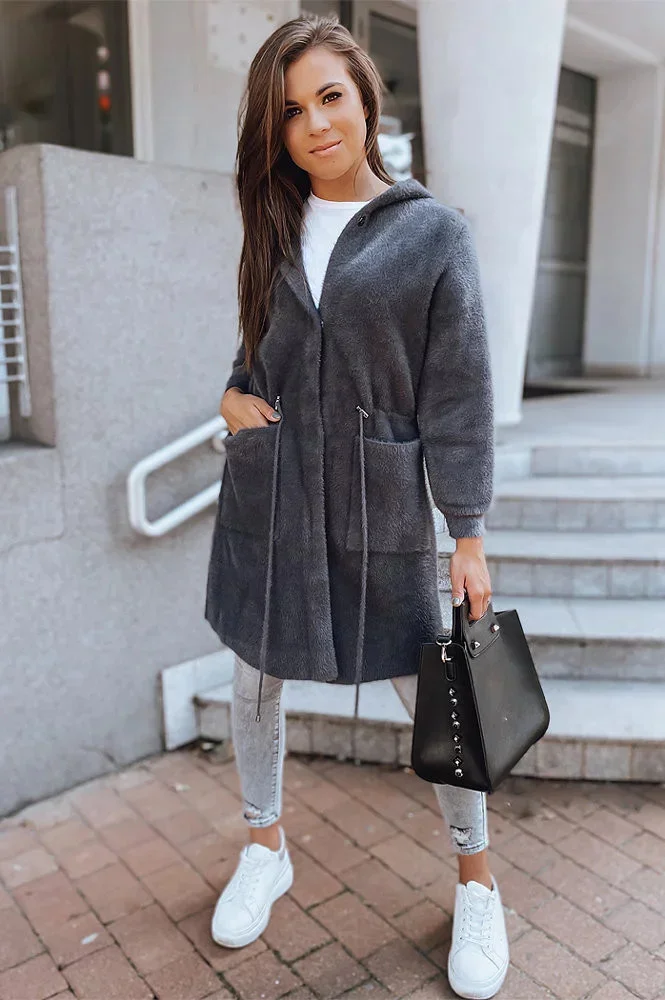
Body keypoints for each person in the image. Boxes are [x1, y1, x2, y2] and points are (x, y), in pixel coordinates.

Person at [204, 13, 509, 1000]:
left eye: (329, 97)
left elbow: (458, 390)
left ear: (367, 98)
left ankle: (476, 880)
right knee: (253, 679)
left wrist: (466, 530)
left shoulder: (433, 233)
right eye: (291, 112)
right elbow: (256, 356)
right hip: (275, 491)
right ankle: (264, 848)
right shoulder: (273, 224)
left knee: (435, 694)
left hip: (382, 500)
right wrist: (231, 397)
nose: (315, 125)